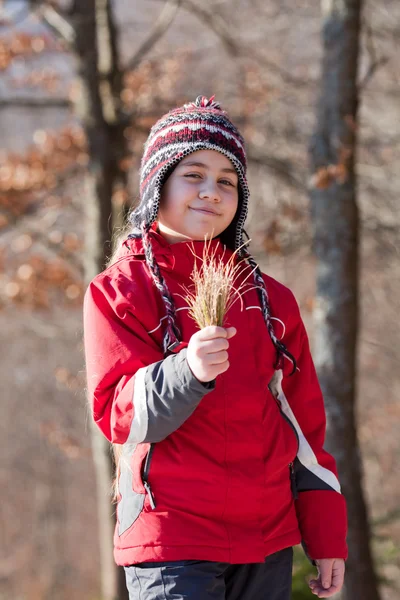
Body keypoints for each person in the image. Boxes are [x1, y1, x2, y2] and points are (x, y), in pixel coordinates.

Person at [83, 95, 347, 600]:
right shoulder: (120, 290)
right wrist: (186, 372)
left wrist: (326, 532)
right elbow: (120, 415)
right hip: (171, 540)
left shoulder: (271, 301)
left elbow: (306, 430)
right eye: (194, 174)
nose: (211, 191)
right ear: (158, 182)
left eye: (227, 181)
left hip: (266, 539)